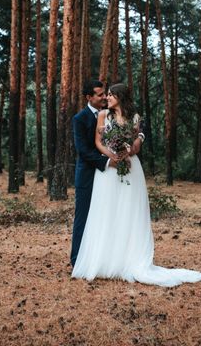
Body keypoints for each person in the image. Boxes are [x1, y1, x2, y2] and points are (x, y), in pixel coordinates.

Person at [72, 83, 201, 287]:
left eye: (110, 94)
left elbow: (137, 138)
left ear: (120, 96)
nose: (107, 98)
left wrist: (129, 150)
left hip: (130, 168)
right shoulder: (103, 116)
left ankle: (129, 258)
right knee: (106, 212)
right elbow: (97, 143)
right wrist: (113, 157)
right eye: (104, 94)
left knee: (129, 211)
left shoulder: (134, 117)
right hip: (108, 170)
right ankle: (100, 259)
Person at [70, 80, 138, 266]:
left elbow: (135, 125)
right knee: (83, 218)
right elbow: (83, 150)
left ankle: (106, 257)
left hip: (110, 177)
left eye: (105, 94)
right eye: (99, 95)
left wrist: (137, 139)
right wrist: (109, 161)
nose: (103, 97)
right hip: (89, 174)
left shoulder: (113, 113)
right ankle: (78, 260)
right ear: (88, 97)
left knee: (108, 216)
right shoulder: (80, 118)